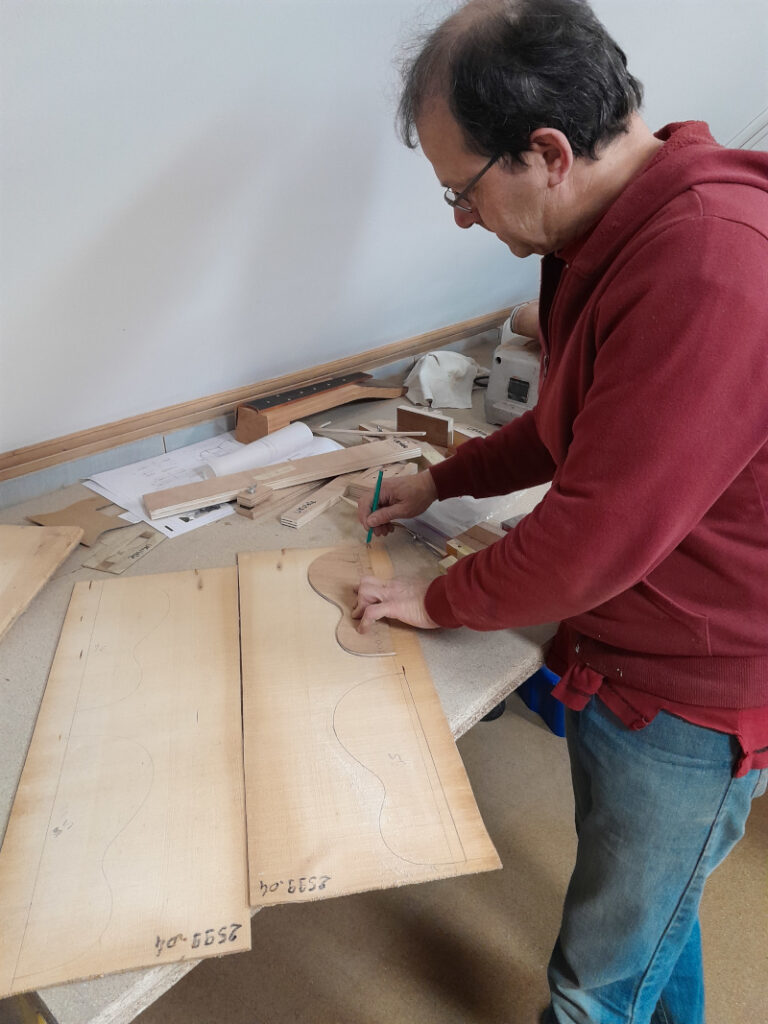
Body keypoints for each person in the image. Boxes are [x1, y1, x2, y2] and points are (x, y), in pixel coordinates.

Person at [351, 1, 768, 1022]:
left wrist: (439, 598)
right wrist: (443, 481)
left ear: (545, 152)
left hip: (692, 685)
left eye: (462, 190)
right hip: (631, 648)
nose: (462, 218)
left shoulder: (707, 263)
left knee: (594, 985)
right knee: (655, 916)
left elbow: (593, 536)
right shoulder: (605, 233)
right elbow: (569, 428)